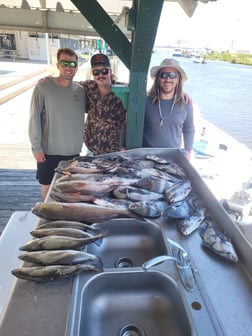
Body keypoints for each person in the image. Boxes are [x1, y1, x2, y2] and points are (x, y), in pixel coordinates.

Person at [28, 47, 86, 200]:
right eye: (64, 63)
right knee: (48, 188)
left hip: (73, 153)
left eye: (72, 64)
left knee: (70, 190)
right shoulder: (43, 87)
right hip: (48, 152)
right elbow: (34, 117)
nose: (68, 67)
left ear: (77, 67)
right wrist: (36, 147)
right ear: (58, 65)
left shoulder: (81, 90)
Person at [143, 58, 195, 160]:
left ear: (178, 79)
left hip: (172, 159)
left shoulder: (186, 105)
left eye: (172, 75)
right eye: (163, 75)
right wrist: (123, 146)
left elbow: (189, 129)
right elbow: (127, 124)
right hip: (147, 157)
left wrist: (188, 151)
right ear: (158, 78)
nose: (168, 79)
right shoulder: (145, 102)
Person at [80, 53, 127, 156]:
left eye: (104, 71)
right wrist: (51, 80)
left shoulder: (123, 90)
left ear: (110, 71)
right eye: (96, 72)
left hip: (115, 152)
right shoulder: (89, 87)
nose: (100, 75)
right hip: (93, 149)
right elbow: (68, 84)